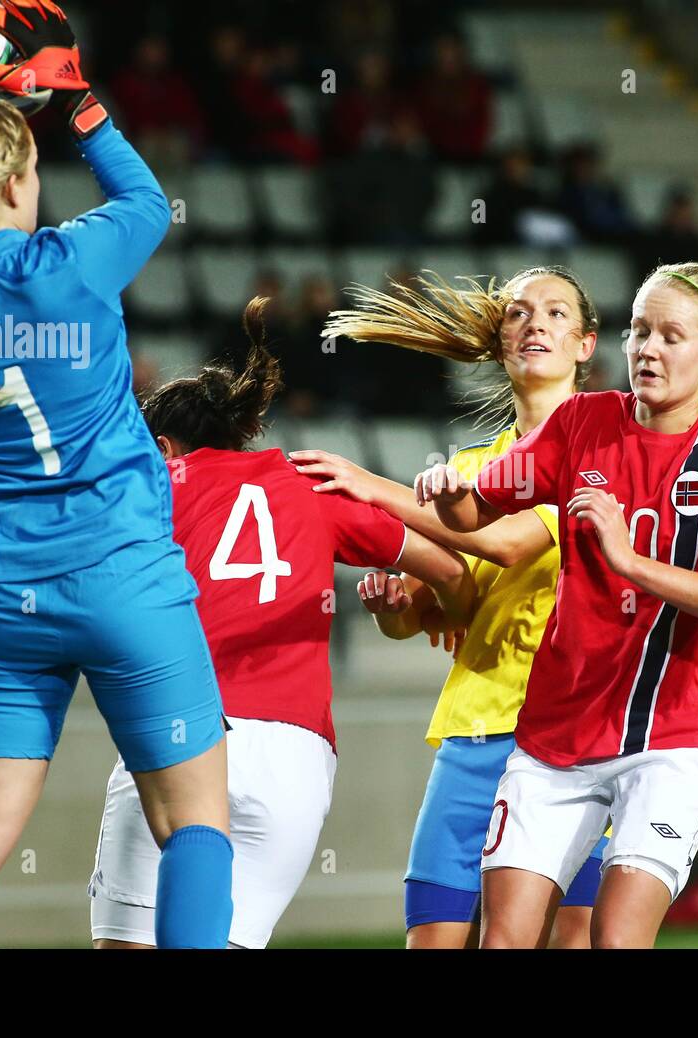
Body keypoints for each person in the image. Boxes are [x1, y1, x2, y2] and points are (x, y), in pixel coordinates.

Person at [0, 2, 231, 949]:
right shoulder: (73, 265)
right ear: (25, 180)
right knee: (192, 827)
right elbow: (149, 203)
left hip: (0, 601)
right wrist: (73, 103)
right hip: (125, 581)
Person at [89, 297, 474, 949]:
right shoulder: (306, 484)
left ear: (163, 447)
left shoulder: (157, 485)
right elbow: (452, 569)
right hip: (293, 759)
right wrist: (446, 618)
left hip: (186, 734)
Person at [417, 262, 698, 949]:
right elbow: (476, 512)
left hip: (670, 738)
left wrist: (631, 562)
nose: (648, 348)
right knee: (503, 941)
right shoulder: (582, 421)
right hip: (556, 734)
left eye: (672, 336)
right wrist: (447, 493)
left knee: (613, 938)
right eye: (641, 330)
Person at [291, 266, 608, 948]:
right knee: (433, 937)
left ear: (585, 343)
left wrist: (369, 486)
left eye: (556, 313)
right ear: (500, 344)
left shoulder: (598, 448)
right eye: (520, 314)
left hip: (572, 734)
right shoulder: (469, 466)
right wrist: (398, 603)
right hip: (474, 724)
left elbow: (506, 546)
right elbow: (447, 607)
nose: (536, 325)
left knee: (568, 938)